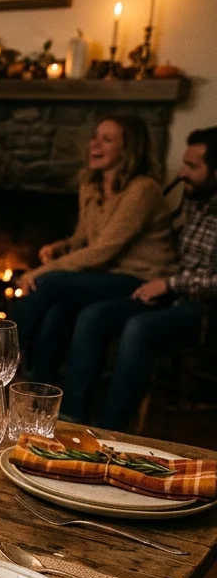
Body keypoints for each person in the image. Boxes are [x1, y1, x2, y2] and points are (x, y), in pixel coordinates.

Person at [60, 127, 217, 430]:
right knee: (94, 315)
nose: (182, 172)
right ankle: (72, 416)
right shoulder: (196, 199)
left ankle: (111, 429)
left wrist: (171, 284)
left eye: (192, 167)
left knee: (139, 327)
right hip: (171, 294)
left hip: (205, 309)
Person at [13, 114, 177, 383]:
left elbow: (104, 249)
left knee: (46, 283)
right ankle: (37, 390)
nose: (95, 145)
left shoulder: (142, 189)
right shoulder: (92, 184)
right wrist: (62, 247)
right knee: (55, 311)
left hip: (140, 279)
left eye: (107, 139)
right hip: (104, 275)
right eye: (95, 137)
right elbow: (84, 238)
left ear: (129, 148)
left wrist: (41, 270)